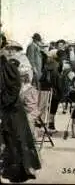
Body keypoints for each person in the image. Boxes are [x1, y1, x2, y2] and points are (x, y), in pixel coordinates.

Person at [0, 50, 42, 182]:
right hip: (7, 109)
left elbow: (14, 87)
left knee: (16, 141)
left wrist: (3, 103)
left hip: (12, 110)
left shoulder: (8, 66)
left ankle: (20, 171)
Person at [19, 66, 40, 138]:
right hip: (22, 110)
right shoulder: (20, 88)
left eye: (21, 77)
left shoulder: (31, 89)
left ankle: (31, 137)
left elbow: (31, 106)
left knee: (28, 118)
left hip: (31, 111)